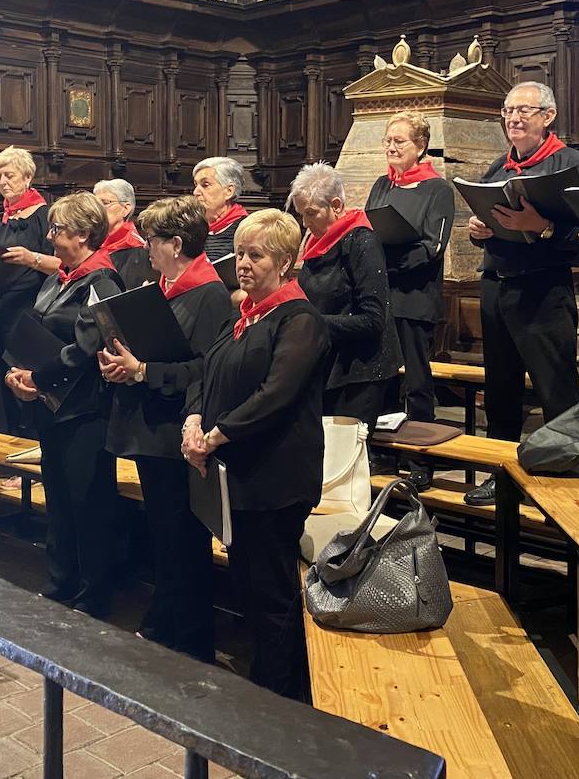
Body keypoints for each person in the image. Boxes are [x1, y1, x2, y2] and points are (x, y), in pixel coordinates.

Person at [183, 209, 329, 699]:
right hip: (237, 474)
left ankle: (281, 695)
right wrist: (193, 421)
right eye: (240, 253)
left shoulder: (300, 319)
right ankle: (265, 679)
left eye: (256, 255)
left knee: (271, 594)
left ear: (286, 262)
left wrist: (218, 435)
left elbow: (277, 393)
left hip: (275, 477)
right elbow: (204, 372)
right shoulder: (244, 314)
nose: (242, 263)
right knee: (247, 583)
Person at [98, 196, 233, 661]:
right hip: (149, 429)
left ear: (176, 244)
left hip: (180, 432)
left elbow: (205, 372)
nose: (146, 247)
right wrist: (123, 367)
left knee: (184, 539)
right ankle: (165, 622)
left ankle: (192, 641)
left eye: (152, 240)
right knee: (164, 536)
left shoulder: (210, 294)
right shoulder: (159, 287)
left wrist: (143, 371)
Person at [465, 83, 579, 504]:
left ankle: (566, 485)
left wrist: (540, 228)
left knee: (555, 389)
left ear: (549, 116)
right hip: (498, 288)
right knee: (500, 391)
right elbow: (486, 222)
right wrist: (478, 230)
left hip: (544, 292)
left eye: (524, 110)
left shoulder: (571, 164)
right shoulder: (498, 168)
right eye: (508, 111)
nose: (514, 118)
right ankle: (500, 477)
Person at [5, 192, 124, 617]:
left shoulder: (103, 281)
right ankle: (62, 580)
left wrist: (37, 378)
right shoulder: (61, 278)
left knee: (87, 504)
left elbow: (86, 346)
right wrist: (17, 371)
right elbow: (34, 326)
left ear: (84, 234)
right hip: (49, 403)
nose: (51, 237)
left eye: (58, 230)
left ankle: (94, 594)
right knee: (58, 497)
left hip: (84, 409)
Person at [291, 163, 400, 434]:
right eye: (301, 215)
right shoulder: (317, 244)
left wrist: (311, 322)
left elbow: (373, 319)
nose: (305, 223)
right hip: (327, 365)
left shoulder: (361, 241)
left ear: (336, 205)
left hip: (359, 373)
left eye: (310, 214)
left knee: (346, 460)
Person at [365, 111, 455, 425]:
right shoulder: (381, 185)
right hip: (381, 296)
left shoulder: (437, 190)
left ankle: (421, 460)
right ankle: (387, 452)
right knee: (383, 377)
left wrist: (388, 263)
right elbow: (368, 229)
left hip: (415, 296)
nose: (391, 147)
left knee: (416, 380)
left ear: (420, 146)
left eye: (399, 141)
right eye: (387, 140)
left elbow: (433, 246)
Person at [0, 147, 58, 433]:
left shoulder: (45, 216)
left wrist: (31, 259)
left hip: (27, 310)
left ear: (27, 177)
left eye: (9, 175)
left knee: (23, 382)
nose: (2, 181)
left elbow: (63, 264)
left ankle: (27, 452)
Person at [95, 178, 155, 288]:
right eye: (96, 204)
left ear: (126, 209)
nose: (98, 210)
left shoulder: (138, 250)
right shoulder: (93, 243)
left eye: (105, 203)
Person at [193, 156, 249, 268]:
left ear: (229, 191)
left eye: (205, 185)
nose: (195, 192)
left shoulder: (247, 228)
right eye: (196, 185)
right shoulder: (193, 227)